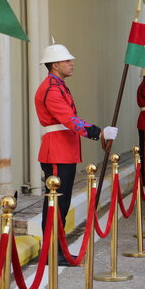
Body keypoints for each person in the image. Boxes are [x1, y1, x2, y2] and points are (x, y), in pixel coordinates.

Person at [35, 44, 118, 265]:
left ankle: (56, 249)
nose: (72, 63)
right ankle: (52, 252)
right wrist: (97, 132)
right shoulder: (52, 89)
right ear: (55, 64)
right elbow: (68, 118)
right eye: (67, 61)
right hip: (57, 151)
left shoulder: (58, 85)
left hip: (64, 149)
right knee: (56, 204)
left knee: (61, 204)